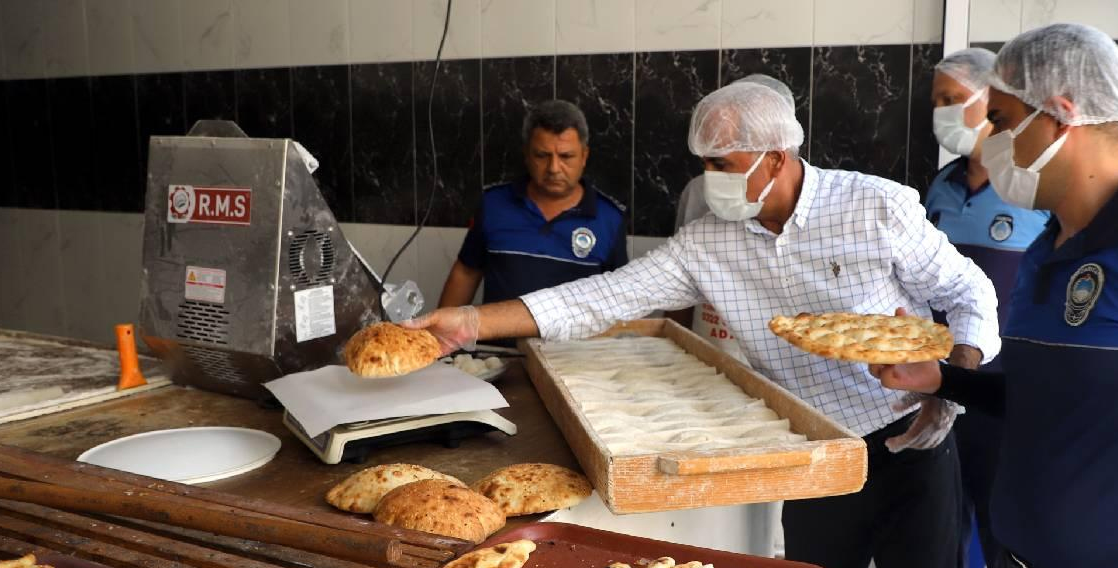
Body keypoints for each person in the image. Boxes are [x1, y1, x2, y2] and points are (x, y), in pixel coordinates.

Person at [408, 81, 1002, 568]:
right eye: (706, 164)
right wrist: (469, 320)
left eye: (724, 164)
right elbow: (602, 297)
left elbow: (968, 289)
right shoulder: (707, 244)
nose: (711, 179)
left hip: (910, 441)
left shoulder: (874, 207)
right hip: (809, 454)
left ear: (776, 157)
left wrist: (949, 387)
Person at [871, 23, 1118, 568]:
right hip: (1021, 548)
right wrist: (944, 379)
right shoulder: (1049, 247)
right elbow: (1044, 394)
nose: (991, 136)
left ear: (1060, 114)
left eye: (1001, 120)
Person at [925, 47, 1050, 568]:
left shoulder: (1034, 186)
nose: (943, 112)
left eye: (955, 99)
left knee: (1001, 519)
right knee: (943, 517)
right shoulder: (940, 186)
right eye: (937, 101)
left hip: (1007, 383)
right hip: (944, 377)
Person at [437, 100, 628, 310]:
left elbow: (619, 299)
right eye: (542, 156)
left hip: (573, 343)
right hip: (498, 343)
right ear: (527, 155)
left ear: (584, 156)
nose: (554, 168)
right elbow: (466, 272)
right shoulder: (494, 205)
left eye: (566, 156)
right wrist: (438, 339)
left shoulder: (609, 219)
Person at [669, 73, 798, 368]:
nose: (712, 173)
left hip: (773, 371)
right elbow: (677, 286)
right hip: (709, 358)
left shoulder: (802, 205)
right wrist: (675, 350)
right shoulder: (698, 194)